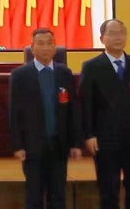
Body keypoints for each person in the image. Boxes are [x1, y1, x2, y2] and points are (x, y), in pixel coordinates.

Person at [79, 19, 130, 209]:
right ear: (102, 38)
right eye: (112, 33)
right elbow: (86, 105)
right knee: (108, 191)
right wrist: (89, 135)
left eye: (122, 32)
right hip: (105, 139)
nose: (118, 37)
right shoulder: (91, 67)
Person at [9, 28, 82, 209]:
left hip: (59, 145)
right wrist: (17, 145)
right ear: (32, 48)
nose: (46, 48)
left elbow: (73, 110)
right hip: (32, 146)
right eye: (40, 44)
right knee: (34, 196)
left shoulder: (64, 73)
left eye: (50, 43)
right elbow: (14, 113)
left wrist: (75, 143)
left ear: (55, 47)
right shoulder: (19, 75)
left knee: (58, 196)